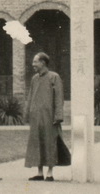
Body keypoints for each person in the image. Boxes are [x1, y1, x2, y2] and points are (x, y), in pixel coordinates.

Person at [24, 51, 63, 181]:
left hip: (49, 116)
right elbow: (30, 97)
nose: (33, 64)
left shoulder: (54, 77)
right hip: (36, 117)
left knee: (50, 142)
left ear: (43, 63)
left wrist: (58, 115)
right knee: (37, 143)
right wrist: (27, 112)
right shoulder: (34, 79)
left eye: (35, 61)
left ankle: (50, 173)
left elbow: (58, 97)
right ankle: (39, 172)